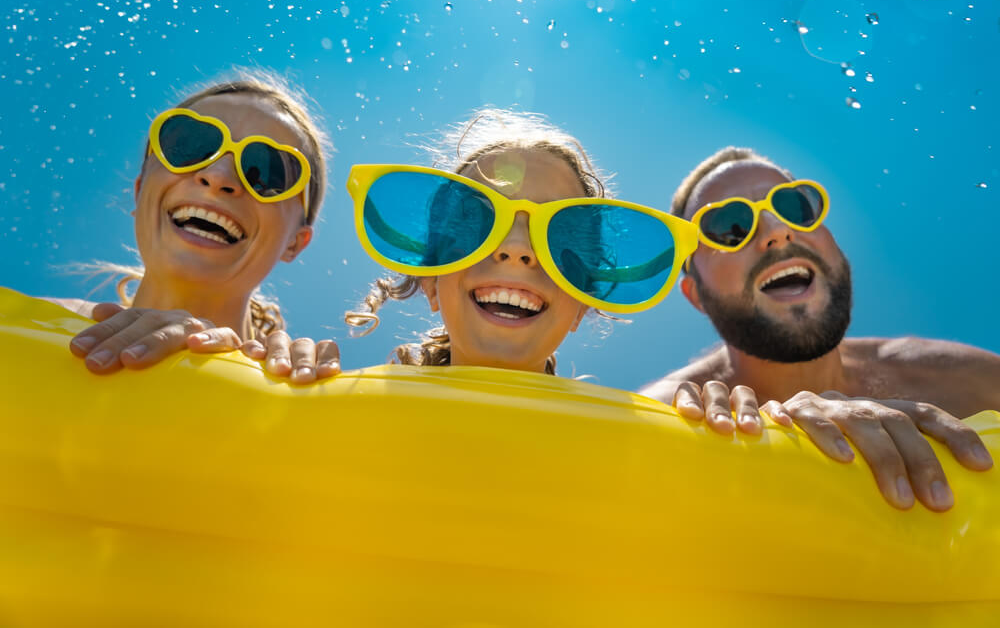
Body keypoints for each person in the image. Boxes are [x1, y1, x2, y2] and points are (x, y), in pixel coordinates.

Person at [641, 146, 998, 511]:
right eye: (730, 227)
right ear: (695, 293)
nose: (778, 232)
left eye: (795, 208)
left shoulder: (962, 377)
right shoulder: (672, 413)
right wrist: (780, 431)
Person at [344, 109, 697, 374]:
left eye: (559, 236)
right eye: (476, 225)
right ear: (431, 283)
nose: (517, 249)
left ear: (581, 305)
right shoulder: (347, 418)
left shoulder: (626, 450)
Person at [48, 72, 341, 381]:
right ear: (140, 192)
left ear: (295, 242)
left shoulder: (292, 387)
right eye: (190, 145)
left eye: (266, 171)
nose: (218, 176)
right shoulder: (20, 322)